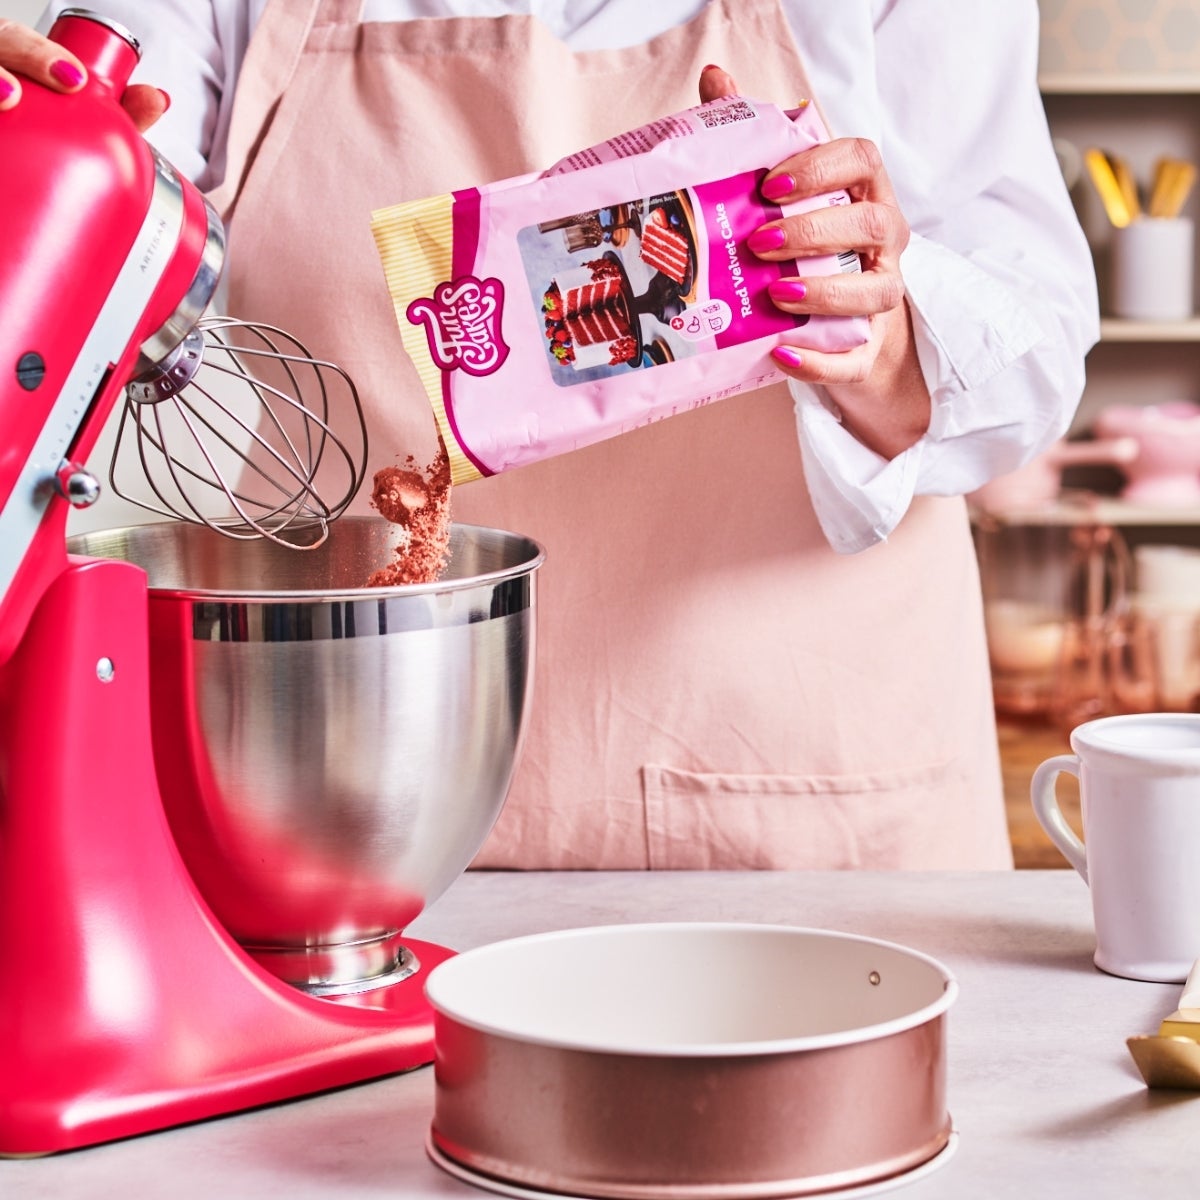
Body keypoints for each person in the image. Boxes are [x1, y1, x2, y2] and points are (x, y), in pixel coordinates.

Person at [13, 1, 1098, 870]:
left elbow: (1033, 343)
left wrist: (889, 339)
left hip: (806, 825)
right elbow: (77, 182)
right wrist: (28, 141)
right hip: (355, 813)